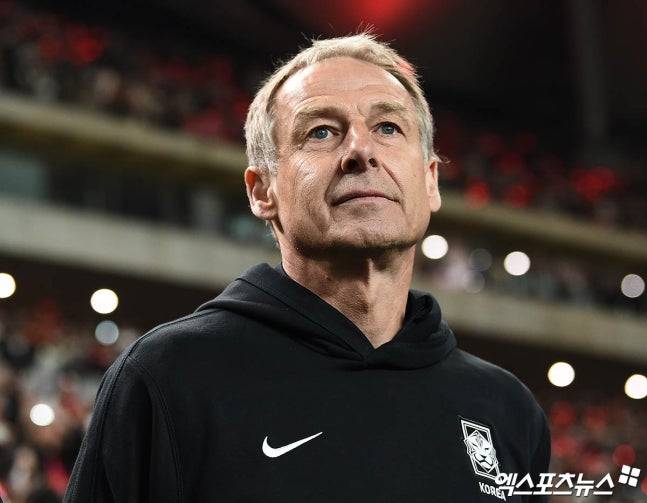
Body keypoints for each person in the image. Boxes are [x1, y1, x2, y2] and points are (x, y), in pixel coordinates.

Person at [63, 32, 550, 502]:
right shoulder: (166, 377)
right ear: (262, 191)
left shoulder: (508, 410)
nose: (361, 151)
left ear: (430, 182)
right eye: (321, 132)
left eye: (388, 127)